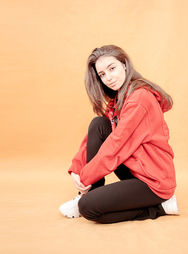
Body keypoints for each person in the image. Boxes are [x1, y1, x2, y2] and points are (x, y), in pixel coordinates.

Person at [59, 45, 180, 224]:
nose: (108, 78)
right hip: (138, 169)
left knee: (88, 208)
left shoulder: (140, 98)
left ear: (124, 64)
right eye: (102, 74)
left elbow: (116, 146)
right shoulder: (119, 99)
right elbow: (98, 138)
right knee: (99, 124)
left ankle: (160, 206)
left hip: (155, 181)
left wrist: (85, 178)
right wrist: (76, 169)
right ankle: (89, 193)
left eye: (112, 68)